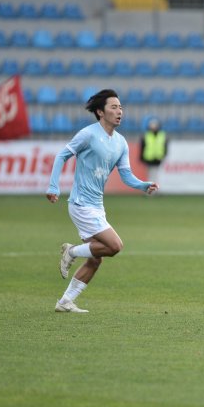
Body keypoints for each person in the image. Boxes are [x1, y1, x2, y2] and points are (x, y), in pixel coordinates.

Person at [46, 89, 159, 313]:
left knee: (96, 258)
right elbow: (62, 155)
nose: (119, 112)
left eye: (121, 107)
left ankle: (65, 302)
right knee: (115, 246)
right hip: (80, 204)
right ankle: (71, 252)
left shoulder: (121, 142)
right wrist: (53, 186)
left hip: (97, 206)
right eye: (114, 107)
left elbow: (126, 175)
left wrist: (142, 185)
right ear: (100, 112)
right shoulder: (88, 134)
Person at [139, 117, 168, 184]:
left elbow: (165, 146)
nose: (153, 127)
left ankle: (155, 190)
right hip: (149, 158)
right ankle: (151, 191)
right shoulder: (146, 135)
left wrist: (164, 154)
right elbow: (143, 147)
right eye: (152, 125)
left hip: (158, 158)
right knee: (150, 175)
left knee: (156, 175)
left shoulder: (162, 135)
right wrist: (141, 157)